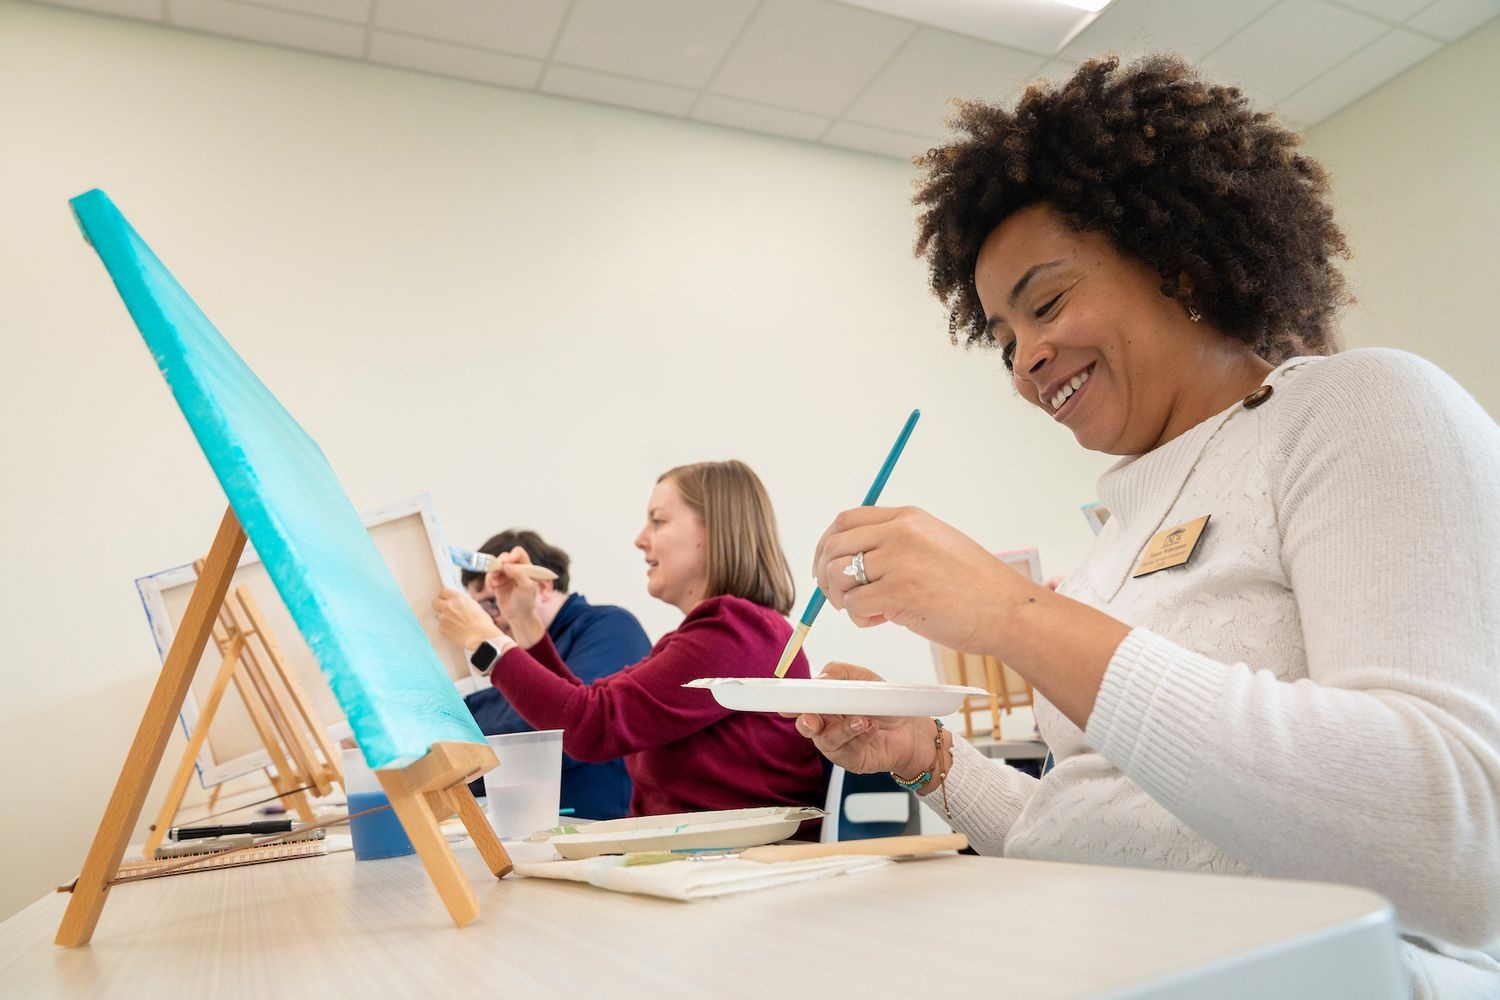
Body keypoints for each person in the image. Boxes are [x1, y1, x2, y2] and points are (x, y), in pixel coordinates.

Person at [792, 55, 1499, 998]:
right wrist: (931, 762)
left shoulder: (1361, 406)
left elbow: (1462, 847)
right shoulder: (1115, 544)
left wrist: (1014, 614)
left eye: (1045, 303)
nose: (1027, 361)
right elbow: (1108, 833)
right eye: (1003, 340)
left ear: (1178, 260)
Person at [435, 460, 826, 820]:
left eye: (658, 521)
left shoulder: (736, 631)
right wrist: (521, 620)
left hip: (733, 871)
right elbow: (586, 707)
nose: (641, 539)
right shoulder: (718, 633)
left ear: (713, 531)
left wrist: (487, 643)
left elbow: (592, 726)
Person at [459, 529, 651, 820]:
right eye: (478, 609)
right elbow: (496, 710)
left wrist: (453, 756)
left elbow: (554, 737)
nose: (489, 621)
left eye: (492, 603)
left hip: (605, 836)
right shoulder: (525, 656)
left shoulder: (611, 627)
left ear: (544, 586)